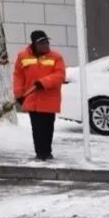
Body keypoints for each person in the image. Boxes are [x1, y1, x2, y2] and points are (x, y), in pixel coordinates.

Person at [12, 30, 66, 161]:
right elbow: (18, 76)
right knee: (36, 128)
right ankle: (40, 154)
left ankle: (47, 153)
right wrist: (19, 94)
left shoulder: (56, 57)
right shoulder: (23, 56)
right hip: (32, 99)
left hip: (49, 100)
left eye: (47, 42)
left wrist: (44, 82)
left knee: (47, 128)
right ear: (34, 44)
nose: (46, 45)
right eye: (42, 43)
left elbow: (60, 75)